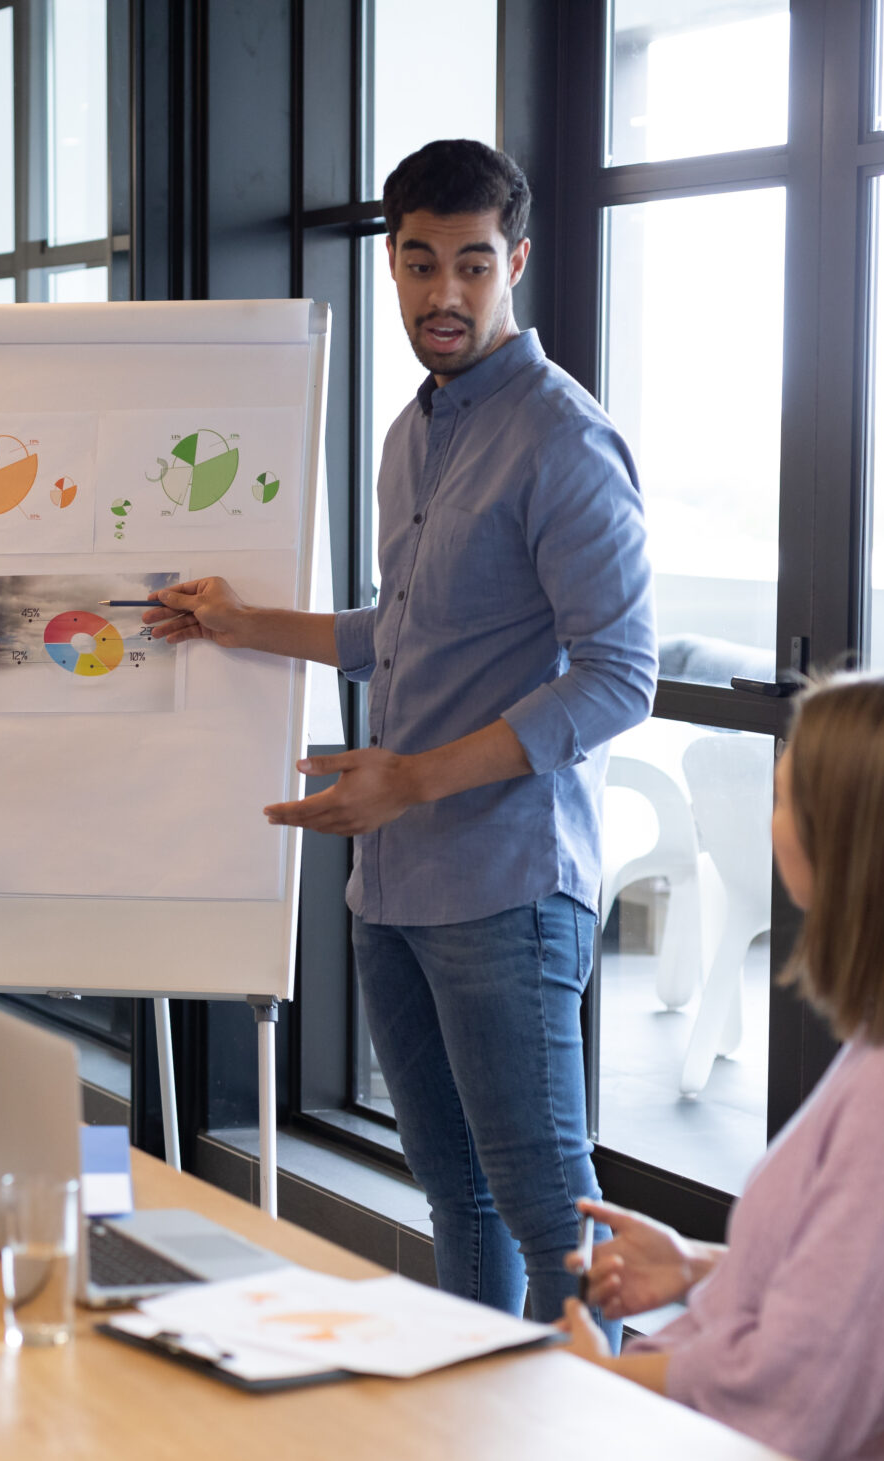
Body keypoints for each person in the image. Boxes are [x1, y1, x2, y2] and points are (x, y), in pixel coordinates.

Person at [149, 139, 655, 1322]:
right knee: (457, 1205)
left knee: (553, 1222)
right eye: (419, 264)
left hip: (507, 886)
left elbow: (620, 680)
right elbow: (408, 629)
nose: (444, 294)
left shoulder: (562, 440)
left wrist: (413, 782)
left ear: (513, 262)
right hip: (392, 889)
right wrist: (239, 623)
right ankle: (477, 1451)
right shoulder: (412, 434)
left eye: (472, 265)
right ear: (390, 264)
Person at [557, 675, 884, 1461]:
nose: (770, 825)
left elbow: (795, 1394)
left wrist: (597, 1381)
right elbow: (868, 1301)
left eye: (785, 802)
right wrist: (703, 1268)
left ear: (860, 844)